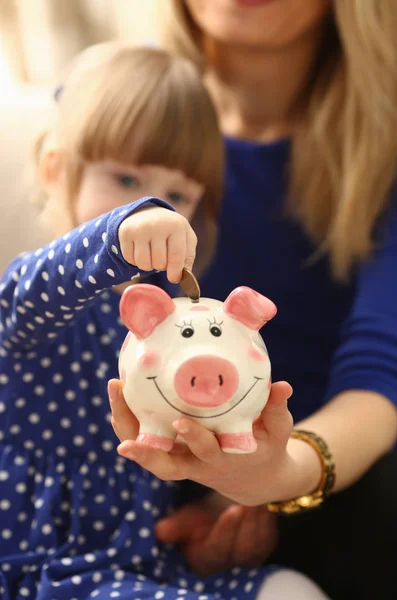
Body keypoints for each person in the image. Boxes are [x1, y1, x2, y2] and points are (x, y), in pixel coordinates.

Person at [0, 41, 329, 600]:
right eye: (125, 179)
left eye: (178, 194)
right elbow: (25, 292)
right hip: (43, 570)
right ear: (56, 171)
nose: (157, 205)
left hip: (148, 564)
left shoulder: (175, 329)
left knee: (290, 586)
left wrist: (203, 530)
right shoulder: (36, 301)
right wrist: (118, 231)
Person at [108, 2, 397, 599]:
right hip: (152, 477)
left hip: (329, 471)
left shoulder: (385, 147)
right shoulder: (113, 110)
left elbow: (381, 372)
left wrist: (274, 477)